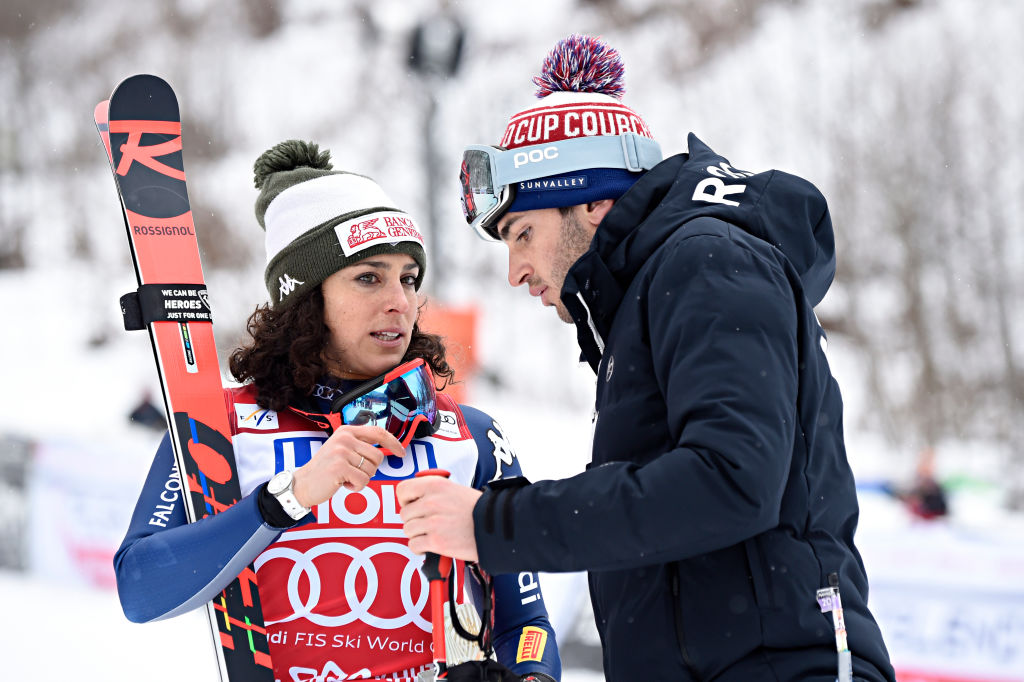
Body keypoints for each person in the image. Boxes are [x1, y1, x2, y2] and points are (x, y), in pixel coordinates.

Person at [397, 34, 897, 681]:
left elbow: (730, 480)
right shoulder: (654, 299)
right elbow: (667, 538)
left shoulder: (706, 264)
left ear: (593, 201)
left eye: (523, 233)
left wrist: (497, 523)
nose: (516, 270)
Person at [114, 140, 561, 682]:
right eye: (369, 277)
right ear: (306, 300)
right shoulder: (223, 428)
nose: (400, 301)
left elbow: (527, 622)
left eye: (408, 279)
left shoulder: (469, 436)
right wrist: (287, 499)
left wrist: (532, 677)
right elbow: (140, 588)